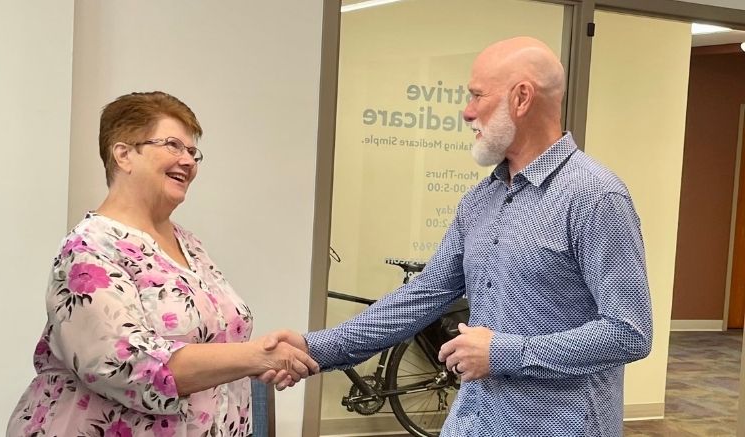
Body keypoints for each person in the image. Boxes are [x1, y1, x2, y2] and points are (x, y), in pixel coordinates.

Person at [262, 37, 653, 436]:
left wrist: (504, 353)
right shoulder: (480, 200)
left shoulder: (596, 197)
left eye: (477, 95)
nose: (467, 112)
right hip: (473, 422)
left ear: (521, 98)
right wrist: (314, 348)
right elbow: (424, 295)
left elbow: (629, 332)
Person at [7, 91, 319, 437]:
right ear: (124, 154)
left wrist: (262, 355)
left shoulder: (189, 244)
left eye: (192, 152)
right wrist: (254, 356)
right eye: (173, 145)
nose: (188, 161)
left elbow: (218, 340)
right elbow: (126, 366)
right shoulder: (89, 246)